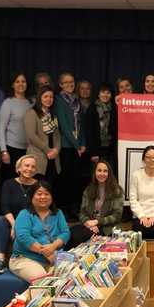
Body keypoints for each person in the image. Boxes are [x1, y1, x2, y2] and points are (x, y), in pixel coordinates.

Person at [9, 180, 70, 283]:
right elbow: (23, 237)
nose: (43, 197)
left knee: (70, 276)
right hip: (25, 259)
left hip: (52, 258)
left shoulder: (58, 213)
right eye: (39, 194)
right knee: (43, 280)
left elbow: (65, 232)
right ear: (32, 196)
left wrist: (53, 246)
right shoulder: (24, 214)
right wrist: (47, 253)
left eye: (47, 194)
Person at [0, 155, 38, 274]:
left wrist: (20, 226)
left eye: (33, 167)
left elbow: (39, 209)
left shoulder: (39, 186)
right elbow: (4, 207)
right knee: (0, 221)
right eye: (27, 165)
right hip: (11, 219)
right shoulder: (8, 184)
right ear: (19, 168)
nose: (30, 169)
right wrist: (14, 224)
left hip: (31, 221)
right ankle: (0, 260)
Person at [68, 159, 124, 248]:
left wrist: (97, 221)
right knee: (70, 232)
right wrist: (87, 222)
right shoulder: (88, 190)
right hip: (90, 225)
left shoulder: (116, 191)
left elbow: (117, 216)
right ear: (95, 173)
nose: (102, 173)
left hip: (107, 227)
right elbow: (82, 213)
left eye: (105, 171)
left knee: (78, 237)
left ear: (109, 174)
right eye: (99, 170)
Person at [55, 71, 86, 221]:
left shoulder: (77, 100)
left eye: (71, 81)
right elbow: (64, 125)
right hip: (67, 146)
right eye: (66, 82)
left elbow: (82, 124)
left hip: (78, 147)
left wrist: (83, 144)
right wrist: (76, 145)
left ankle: (75, 208)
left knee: (77, 179)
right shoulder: (59, 100)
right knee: (66, 178)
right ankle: (65, 210)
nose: (69, 84)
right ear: (60, 84)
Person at [0, 72, 32, 183]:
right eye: (17, 81)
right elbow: (0, 128)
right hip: (11, 149)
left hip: (29, 150)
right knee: (10, 181)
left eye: (23, 81)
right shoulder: (8, 103)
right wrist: (4, 151)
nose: (21, 84)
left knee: (26, 181)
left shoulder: (32, 102)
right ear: (12, 85)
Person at [24, 85, 61, 183]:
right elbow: (31, 136)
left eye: (51, 97)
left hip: (53, 158)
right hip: (38, 157)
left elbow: (57, 136)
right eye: (46, 96)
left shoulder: (53, 114)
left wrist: (56, 150)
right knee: (37, 188)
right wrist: (48, 150)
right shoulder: (31, 113)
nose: (49, 99)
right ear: (39, 98)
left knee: (50, 188)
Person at [85, 82, 118, 171]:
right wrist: (93, 153)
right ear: (98, 94)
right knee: (96, 176)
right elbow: (89, 132)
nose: (105, 95)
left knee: (110, 175)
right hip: (96, 150)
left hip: (110, 150)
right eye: (103, 92)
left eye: (108, 93)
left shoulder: (114, 109)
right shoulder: (92, 108)